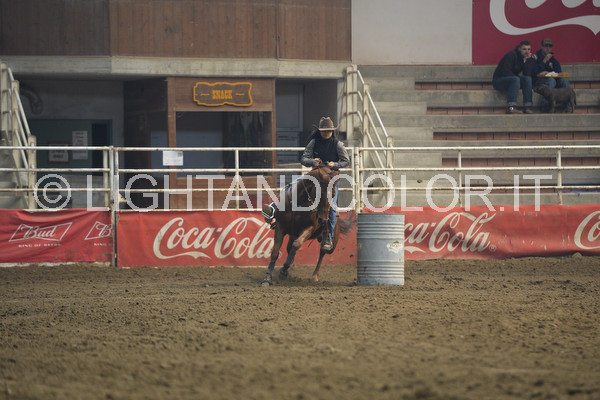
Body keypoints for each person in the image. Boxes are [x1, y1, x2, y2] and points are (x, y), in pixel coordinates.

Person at [262, 117, 350, 251]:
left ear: (332, 131)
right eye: (324, 131)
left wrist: (335, 164)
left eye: (328, 131)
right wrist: (312, 162)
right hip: (315, 175)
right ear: (320, 131)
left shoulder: (338, 145)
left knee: (331, 207)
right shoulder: (314, 142)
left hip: (331, 178)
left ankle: (329, 237)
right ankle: (274, 209)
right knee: (291, 186)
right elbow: (304, 158)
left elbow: (346, 161)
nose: (326, 133)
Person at [492, 40, 536, 114]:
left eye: (529, 49)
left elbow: (527, 73)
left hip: (512, 80)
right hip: (498, 80)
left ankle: (528, 107)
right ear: (519, 49)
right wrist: (517, 80)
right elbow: (506, 71)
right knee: (515, 79)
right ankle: (511, 107)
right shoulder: (511, 55)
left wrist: (526, 61)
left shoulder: (525, 58)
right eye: (524, 49)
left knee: (527, 79)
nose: (527, 52)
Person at [533, 38, 571, 112]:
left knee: (564, 80)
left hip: (552, 80)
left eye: (550, 46)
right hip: (539, 82)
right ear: (541, 46)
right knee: (551, 81)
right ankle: (545, 108)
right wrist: (544, 61)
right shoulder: (535, 57)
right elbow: (534, 72)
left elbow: (558, 71)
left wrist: (552, 73)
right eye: (546, 46)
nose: (548, 48)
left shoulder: (552, 58)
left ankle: (568, 107)